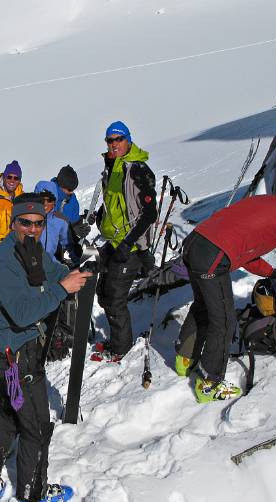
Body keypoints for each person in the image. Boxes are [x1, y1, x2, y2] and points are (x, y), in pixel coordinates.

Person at [0, 193, 92, 502]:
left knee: (10, 411)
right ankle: (33, 494)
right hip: (14, 355)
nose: (33, 229)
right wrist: (62, 289)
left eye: (39, 223)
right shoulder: (3, 262)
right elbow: (23, 313)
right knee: (36, 424)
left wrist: (73, 274)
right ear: (13, 223)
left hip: (12, 350)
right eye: (26, 222)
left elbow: (52, 271)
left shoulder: (30, 249)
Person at [175, 193, 276, 403]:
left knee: (204, 306)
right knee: (225, 321)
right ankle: (209, 384)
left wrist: (272, 273)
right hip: (213, 255)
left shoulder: (272, 203)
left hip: (195, 243)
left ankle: (184, 360)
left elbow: (245, 251)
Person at [91, 120, 157, 363]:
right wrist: (99, 217)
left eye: (118, 139)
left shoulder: (138, 169)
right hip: (113, 241)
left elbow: (150, 213)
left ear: (128, 140)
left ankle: (121, 349)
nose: (114, 144)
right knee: (103, 293)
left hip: (129, 245)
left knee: (115, 298)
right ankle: (118, 340)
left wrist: (129, 243)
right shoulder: (113, 168)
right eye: (110, 140)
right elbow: (114, 203)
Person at [52, 165, 91, 262]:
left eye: (73, 189)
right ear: (61, 185)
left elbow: (74, 221)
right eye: (69, 189)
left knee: (89, 252)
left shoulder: (71, 199)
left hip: (67, 244)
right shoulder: (48, 197)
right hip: (50, 246)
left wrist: (84, 221)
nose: (71, 192)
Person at [33, 180, 71, 261]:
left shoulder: (61, 220)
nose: (45, 204)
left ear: (55, 201)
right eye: (41, 200)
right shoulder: (27, 219)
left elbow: (69, 244)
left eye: (50, 200)